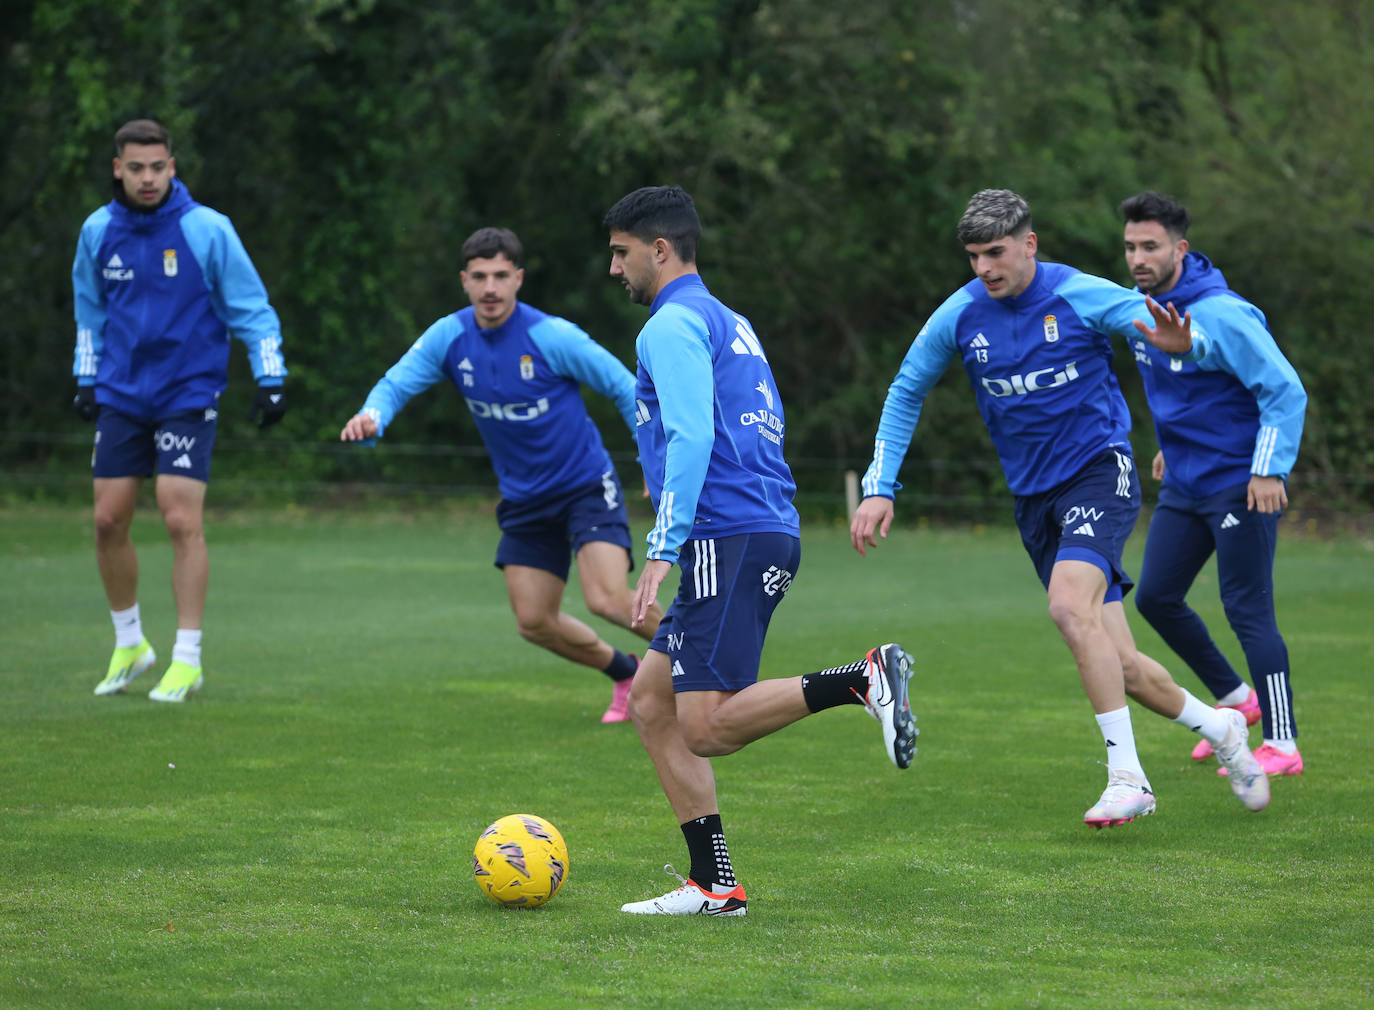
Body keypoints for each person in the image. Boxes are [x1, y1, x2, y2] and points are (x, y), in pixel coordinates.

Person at [849, 188, 1269, 828]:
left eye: (996, 252)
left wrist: (1188, 347)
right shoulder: (960, 315)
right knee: (1121, 665)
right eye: (973, 256)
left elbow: (1162, 327)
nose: (985, 268)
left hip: (1100, 471)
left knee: (1069, 608)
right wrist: (881, 484)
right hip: (1034, 499)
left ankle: (1128, 778)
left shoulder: (1080, 294)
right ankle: (1223, 727)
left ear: (1029, 244)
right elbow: (906, 389)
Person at [604, 184, 916, 918]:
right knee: (652, 702)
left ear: (659, 249)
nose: (614, 270)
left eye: (620, 254)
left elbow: (694, 436)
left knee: (705, 725)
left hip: (725, 533)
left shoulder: (669, 326)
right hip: (759, 524)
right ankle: (714, 885)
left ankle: (860, 679)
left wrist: (662, 545)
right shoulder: (729, 320)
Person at [340, 227, 658, 723]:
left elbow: (624, 387)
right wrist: (372, 416)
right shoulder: (450, 336)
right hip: (525, 499)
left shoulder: (551, 336)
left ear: (519, 280)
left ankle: (705, 665)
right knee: (534, 621)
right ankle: (626, 672)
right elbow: (395, 383)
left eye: (501, 277)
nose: (490, 288)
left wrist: (651, 458)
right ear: (464, 281)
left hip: (583, 486)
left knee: (610, 600)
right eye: (480, 277)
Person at [73, 118, 288, 703]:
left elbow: (252, 308)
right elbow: (89, 313)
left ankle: (187, 657)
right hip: (121, 392)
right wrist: (85, 377)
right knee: (107, 519)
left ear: (173, 167)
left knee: (177, 517)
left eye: (158, 167)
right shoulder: (97, 231)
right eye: (136, 168)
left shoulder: (206, 229)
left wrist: (271, 376)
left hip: (188, 392)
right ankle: (130, 644)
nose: (148, 178)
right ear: (118, 168)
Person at [1121, 190, 1307, 777]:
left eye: (1150, 246)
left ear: (1181, 248)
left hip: (1240, 483)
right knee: (1155, 597)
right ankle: (1236, 701)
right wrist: (1167, 447)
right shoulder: (1137, 308)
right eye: (1130, 246)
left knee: (1246, 606)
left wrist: (1269, 469)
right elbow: (1178, 388)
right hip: (1185, 480)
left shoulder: (1224, 313)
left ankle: (1283, 742)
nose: (1137, 258)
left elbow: (1284, 392)